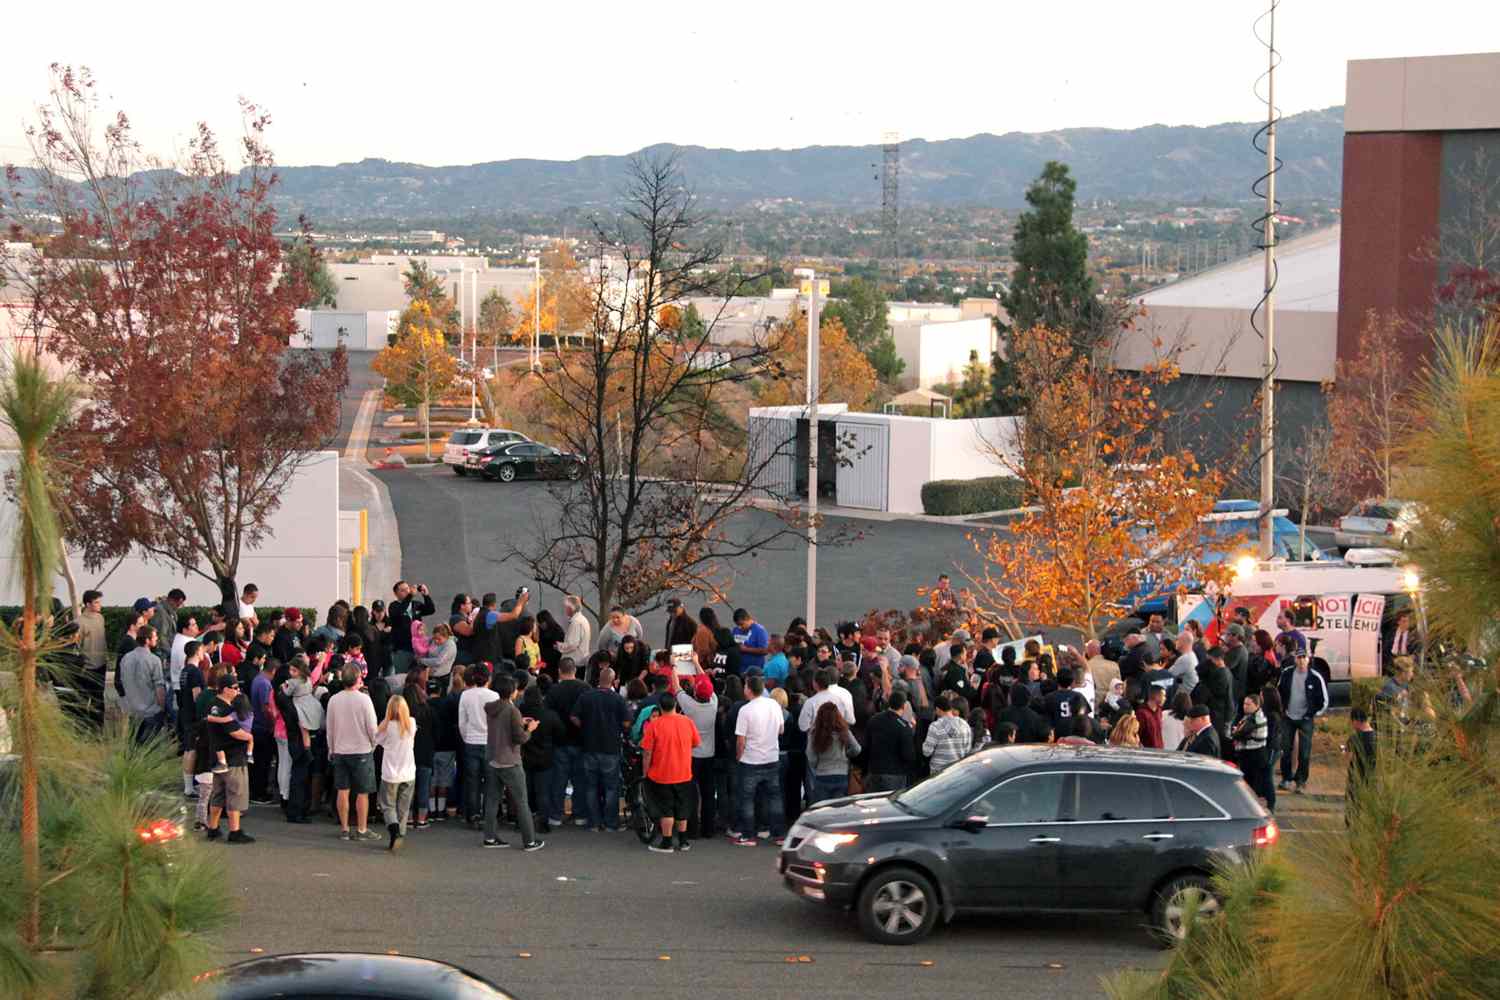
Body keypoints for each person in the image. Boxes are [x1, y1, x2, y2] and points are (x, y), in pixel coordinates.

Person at [481, 672, 545, 851]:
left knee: (492, 800)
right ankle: (530, 840)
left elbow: (502, 726)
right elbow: (520, 738)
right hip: (510, 761)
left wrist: (520, 722)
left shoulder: (491, 707)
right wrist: (530, 728)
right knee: (521, 801)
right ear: (511, 691)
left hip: (493, 757)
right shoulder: (512, 710)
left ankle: (490, 837)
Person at [326, 663, 380, 841]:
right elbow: (372, 728)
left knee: (343, 790)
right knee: (362, 792)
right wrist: (374, 744)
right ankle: (362, 829)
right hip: (361, 750)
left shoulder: (334, 699)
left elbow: (330, 728)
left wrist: (331, 748)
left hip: (340, 750)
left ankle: (344, 828)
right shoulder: (364, 699)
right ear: (357, 678)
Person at [641, 693, 700, 853]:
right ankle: (683, 841)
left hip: (661, 774)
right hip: (684, 772)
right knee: (682, 808)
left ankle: (667, 842)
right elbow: (696, 743)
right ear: (675, 705)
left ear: (660, 707)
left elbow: (647, 752)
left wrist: (645, 772)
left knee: (666, 809)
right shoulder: (687, 722)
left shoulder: (655, 725)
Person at [572, 666, 629, 832]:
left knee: (590, 786)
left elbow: (573, 716)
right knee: (611, 787)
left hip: (589, 746)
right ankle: (611, 823)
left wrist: (585, 727)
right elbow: (626, 722)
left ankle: (594, 823)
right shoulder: (617, 699)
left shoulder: (586, 696)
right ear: (612, 681)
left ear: (598, 679)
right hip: (610, 748)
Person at [732, 675, 785, 845]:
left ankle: (748, 835)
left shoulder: (745, 710)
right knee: (774, 797)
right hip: (772, 757)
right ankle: (778, 835)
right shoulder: (774, 705)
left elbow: (741, 740)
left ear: (748, 689)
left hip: (751, 760)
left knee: (747, 799)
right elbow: (781, 730)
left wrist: (739, 757)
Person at [204, 674, 255, 843]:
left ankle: (213, 827)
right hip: (232, 757)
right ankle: (235, 831)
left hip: (219, 756)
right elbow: (233, 731)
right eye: (235, 688)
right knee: (235, 793)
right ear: (225, 689)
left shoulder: (217, 705)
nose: (238, 691)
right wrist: (248, 737)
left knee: (218, 794)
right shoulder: (221, 707)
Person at [544, 658, 590, 827]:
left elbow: (547, 715)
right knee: (580, 780)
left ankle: (555, 816)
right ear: (575, 670)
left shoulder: (554, 691)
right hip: (580, 741)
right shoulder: (585, 688)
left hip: (560, 742)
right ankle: (580, 815)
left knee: (558, 780)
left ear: (559, 671)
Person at [1276, 653, 1329, 794]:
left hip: (1306, 719)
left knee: (1305, 752)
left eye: (1304, 658)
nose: (1301, 661)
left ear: (1308, 660)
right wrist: (1282, 709)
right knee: (1285, 749)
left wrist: (1312, 714)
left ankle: (1301, 781)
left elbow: (1323, 700)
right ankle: (1286, 778)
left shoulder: (1315, 677)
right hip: (1288, 717)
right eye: (1299, 658)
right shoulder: (1287, 674)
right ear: (1295, 659)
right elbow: (1279, 692)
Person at [677, 672, 720, 840]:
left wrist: (674, 666)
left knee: (691, 794)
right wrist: (697, 664)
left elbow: (677, 687)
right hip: (709, 755)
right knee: (708, 793)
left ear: (695, 693)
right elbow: (706, 683)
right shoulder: (714, 704)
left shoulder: (690, 707)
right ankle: (709, 829)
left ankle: (692, 829)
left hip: (692, 756)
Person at [458, 662, 499, 826]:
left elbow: (462, 722)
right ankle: (488, 816)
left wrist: (467, 737)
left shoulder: (466, 695)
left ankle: (473, 815)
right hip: (490, 742)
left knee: (472, 781)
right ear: (488, 678)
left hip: (471, 742)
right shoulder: (494, 696)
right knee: (490, 782)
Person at [375, 694, 418, 851]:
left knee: (387, 805)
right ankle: (401, 831)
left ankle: (393, 829)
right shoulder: (411, 724)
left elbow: (376, 739)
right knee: (403, 807)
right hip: (409, 772)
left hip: (390, 773)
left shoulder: (386, 726)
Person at [519, 680, 562, 833]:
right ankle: (542, 822)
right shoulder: (550, 714)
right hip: (545, 757)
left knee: (526, 791)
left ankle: (524, 821)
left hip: (524, 756)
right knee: (543, 792)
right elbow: (560, 733)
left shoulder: (519, 713)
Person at [119, 625, 168, 744]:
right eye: (155, 636)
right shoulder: (154, 660)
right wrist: (162, 708)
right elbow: (159, 688)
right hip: (150, 711)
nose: (157, 639)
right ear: (147, 640)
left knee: (133, 747)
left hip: (132, 710)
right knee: (148, 749)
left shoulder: (126, 658)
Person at [805, 701, 860, 803]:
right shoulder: (844, 731)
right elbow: (857, 749)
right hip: (841, 775)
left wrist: (817, 765)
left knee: (822, 810)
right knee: (838, 811)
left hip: (822, 775)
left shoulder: (814, 733)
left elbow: (810, 756)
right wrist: (847, 755)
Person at [865, 690, 917, 792]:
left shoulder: (874, 719)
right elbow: (909, 755)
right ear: (903, 706)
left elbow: (867, 744)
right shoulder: (903, 726)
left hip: (874, 771)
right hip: (895, 775)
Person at [1231, 691, 1272, 810]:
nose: (1245, 706)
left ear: (1256, 705)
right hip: (1250, 754)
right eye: (1244, 704)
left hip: (1254, 755)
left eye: (1248, 704)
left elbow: (1239, 733)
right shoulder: (1249, 716)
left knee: (1253, 784)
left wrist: (1235, 732)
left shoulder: (1254, 718)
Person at [388, 581, 436, 677]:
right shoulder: (394, 606)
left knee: (418, 677)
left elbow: (431, 609)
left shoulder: (415, 604)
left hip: (417, 649)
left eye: (407, 589)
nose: (406, 591)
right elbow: (399, 613)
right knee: (402, 677)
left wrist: (426, 595)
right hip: (402, 649)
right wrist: (410, 596)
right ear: (396, 594)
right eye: (403, 590)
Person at [923, 692, 973, 774]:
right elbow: (967, 750)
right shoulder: (965, 725)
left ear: (937, 709)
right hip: (958, 771)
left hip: (939, 773)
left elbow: (926, 752)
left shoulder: (935, 726)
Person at [1345, 706, 1378, 821]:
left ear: (1355, 721)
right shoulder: (1377, 737)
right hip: (1373, 775)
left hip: (1356, 775)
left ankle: (1352, 823)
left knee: (1353, 802)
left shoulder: (1354, 738)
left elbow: (1349, 758)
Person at [798, 667, 855, 731]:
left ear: (815, 683)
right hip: (839, 737)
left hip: (817, 738)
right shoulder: (842, 697)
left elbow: (803, 727)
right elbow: (851, 720)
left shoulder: (810, 702)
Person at [1041, 667, 1089, 740]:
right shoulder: (1079, 696)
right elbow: (1085, 718)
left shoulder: (1049, 697)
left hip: (1057, 737)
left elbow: (1046, 720)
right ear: (1072, 681)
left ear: (1057, 680)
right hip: (1075, 736)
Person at [731, 608, 770, 675]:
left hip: (754, 673)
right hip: (738, 670)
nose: (740, 627)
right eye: (738, 625)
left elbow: (765, 650)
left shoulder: (759, 631)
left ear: (747, 619)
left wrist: (746, 649)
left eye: (741, 624)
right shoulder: (735, 630)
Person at [558, 595, 592, 664]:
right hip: (581, 659)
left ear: (571, 608)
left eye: (566, 607)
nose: (565, 609)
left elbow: (572, 644)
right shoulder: (583, 619)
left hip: (574, 661)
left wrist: (559, 646)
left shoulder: (576, 622)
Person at [1168, 631, 1200, 696]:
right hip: (1189, 694)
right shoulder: (1192, 654)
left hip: (1184, 697)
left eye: (1177, 639)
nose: (1175, 642)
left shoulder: (1185, 658)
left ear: (1183, 642)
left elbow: (1167, 675)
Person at [1161, 689, 1193, 753]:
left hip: (1163, 751)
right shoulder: (1191, 720)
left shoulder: (1164, 714)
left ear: (1174, 702)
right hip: (1182, 754)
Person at [1137, 685, 1167, 749]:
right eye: (1163, 696)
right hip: (1147, 752)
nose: (1165, 698)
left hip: (1160, 750)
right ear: (1156, 696)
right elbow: (1137, 733)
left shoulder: (1159, 710)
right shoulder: (1141, 713)